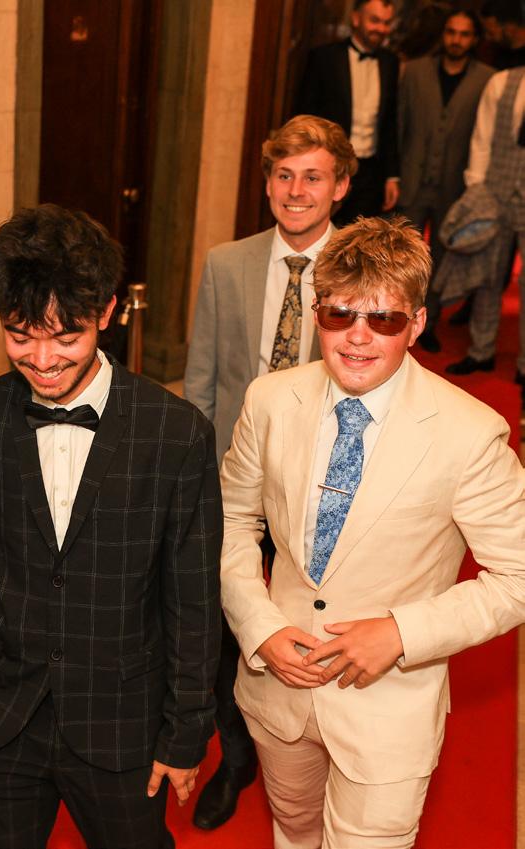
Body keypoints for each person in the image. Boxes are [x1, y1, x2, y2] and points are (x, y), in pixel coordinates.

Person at [220, 216, 525, 848]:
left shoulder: (470, 433)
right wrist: (259, 624)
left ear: (416, 323)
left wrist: (401, 634)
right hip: (279, 686)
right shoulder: (269, 400)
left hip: (390, 710)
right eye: (340, 315)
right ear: (317, 314)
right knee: (293, 830)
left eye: (383, 320)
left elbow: (518, 575)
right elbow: (231, 520)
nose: (357, 338)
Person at [0, 204, 223, 849]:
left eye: (65, 337)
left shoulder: (176, 433)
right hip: (1, 718)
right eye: (20, 335)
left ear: (107, 313)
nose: (43, 359)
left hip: (120, 726)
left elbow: (192, 598)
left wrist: (185, 732)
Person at [183, 114, 356, 831]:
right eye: (283, 175)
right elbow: (202, 381)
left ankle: (311, 747)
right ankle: (238, 758)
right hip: (234, 480)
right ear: (266, 183)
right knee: (224, 625)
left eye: (313, 176)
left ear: (340, 186)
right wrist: (192, 479)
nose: (296, 190)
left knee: (304, 618)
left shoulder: (364, 264)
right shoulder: (226, 263)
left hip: (323, 486)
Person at [399, 8, 493, 352]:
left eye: (465, 34)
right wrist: (394, 175)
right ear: (443, 34)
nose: (457, 40)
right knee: (401, 254)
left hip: (454, 187)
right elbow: (398, 124)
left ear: (475, 39)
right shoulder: (414, 71)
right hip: (412, 179)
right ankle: (396, 317)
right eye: (452, 32)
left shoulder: (487, 79)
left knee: (439, 258)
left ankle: (429, 322)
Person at [445, 62, 525, 406]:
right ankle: (481, 352)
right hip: (495, 191)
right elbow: (482, 137)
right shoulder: (502, 82)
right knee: (487, 275)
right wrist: (477, 189)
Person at [296, 0, 399, 224]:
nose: (381, 28)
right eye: (375, 20)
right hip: (330, 164)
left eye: (386, 23)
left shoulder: (390, 63)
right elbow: (305, 115)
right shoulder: (324, 58)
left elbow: (390, 123)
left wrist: (392, 176)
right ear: (355, 18)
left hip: (370, 173)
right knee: (319, 229)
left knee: (359, 237)